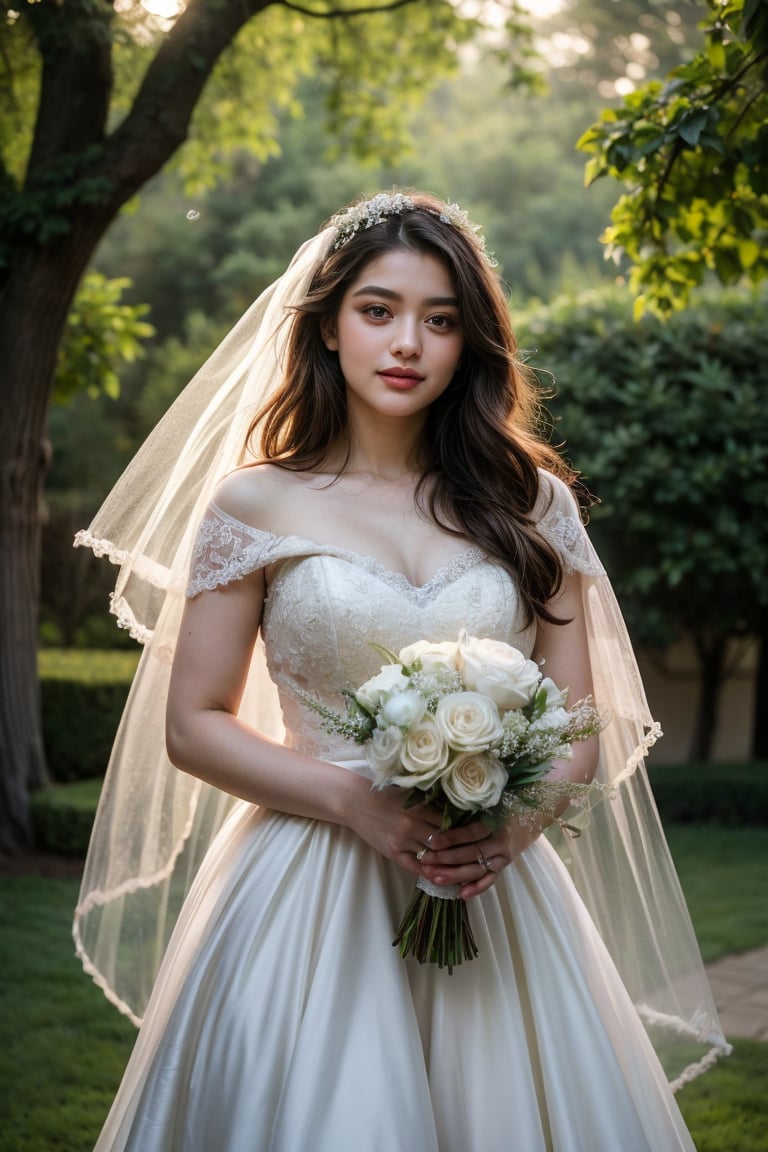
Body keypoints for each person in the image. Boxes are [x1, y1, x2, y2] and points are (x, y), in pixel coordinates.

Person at [75, 191, 728, 1151]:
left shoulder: (532, 503)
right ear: (329, 327)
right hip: (307, 881)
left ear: (471, 343)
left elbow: (577, 727)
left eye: (441, 320)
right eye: (378, 311)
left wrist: (508, 832)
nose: (407, 343)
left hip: (489, 886)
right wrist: (358, 804)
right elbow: (196, 723)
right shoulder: (256, 502)